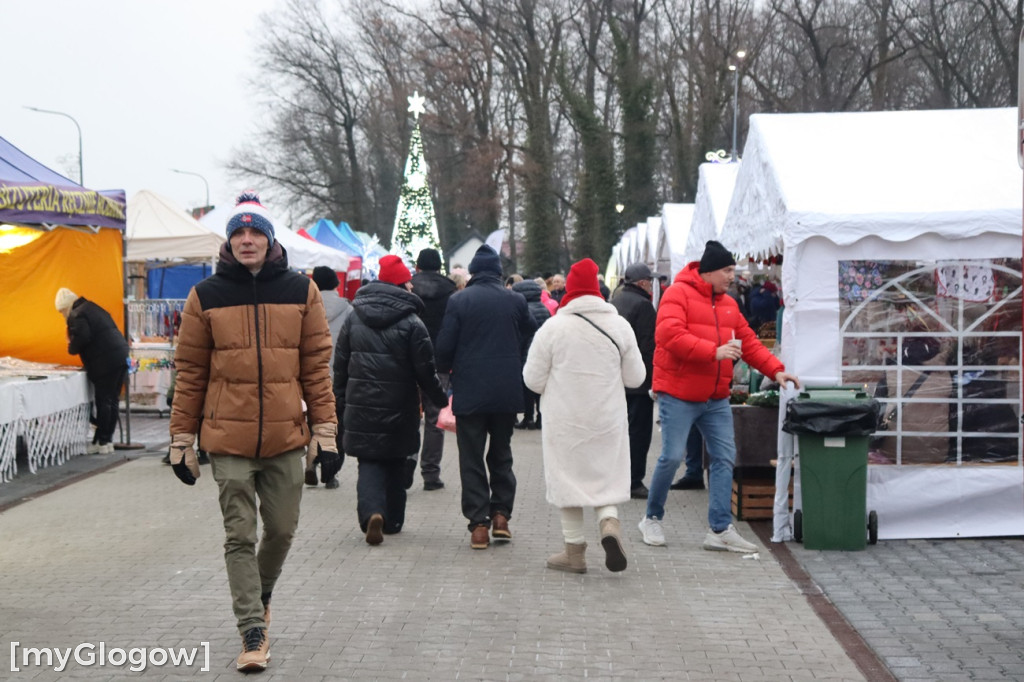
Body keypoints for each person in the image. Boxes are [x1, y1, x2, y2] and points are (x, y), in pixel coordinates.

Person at [168, 191, 340, 672]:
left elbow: (315, 369)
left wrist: (325, 431)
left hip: (287, 436)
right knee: (239, 535)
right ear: (229, 242)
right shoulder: (206, 296)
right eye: (238, 233)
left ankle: (260, 594)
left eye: (255, 232)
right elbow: (191, 372)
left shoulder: (300, 291)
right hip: (228, 439)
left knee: (282, 531)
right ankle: (251, 629)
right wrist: (182, 439)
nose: (247, 240)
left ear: (269, 239)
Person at [639, 240, 800, 552]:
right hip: (679, 393)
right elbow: (669, 335)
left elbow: (749, 342)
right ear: (709, 271)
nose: (732, 275)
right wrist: (712, 352)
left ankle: (719, 529)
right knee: (671, 457)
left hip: (715, 397)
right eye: (727, 270)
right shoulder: (677, 294)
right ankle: (652, 517)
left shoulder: (728, 303)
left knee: (725, 458)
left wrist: (775, 370)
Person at [524, 258, 645, 574]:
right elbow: (636, 378)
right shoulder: (619, 326)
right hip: (607, 418)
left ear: (569, 292)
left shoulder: (554, 327)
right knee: (605, 478)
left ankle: (574, 552)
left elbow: (532, 380)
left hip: (566, 422)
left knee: (568, 483)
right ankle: (609, 525)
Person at [335, 255, 448, 544]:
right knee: (397, 461)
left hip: (360, 404)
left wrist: (339, 400)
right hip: (400, 406)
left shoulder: (353, 316)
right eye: (408, 280)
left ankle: (372, 512)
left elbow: (341, 363)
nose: (412, 285)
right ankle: (394, 520)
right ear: (400, 284)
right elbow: (426, 370)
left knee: (369, 462)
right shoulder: (412, 323)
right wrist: (440, 399)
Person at [435, 244, 537, 549]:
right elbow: (531, 329)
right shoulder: (515, 300)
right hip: (506, 389)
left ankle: (479, 524)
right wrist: (513, 354)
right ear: (498, 272)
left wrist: (445, 374)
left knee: (471, 458)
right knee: (502, 453)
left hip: (470, 390)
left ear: (474, 272)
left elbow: (444, 348)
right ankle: (501, 516)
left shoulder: (459, 300)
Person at [55, 288, 129, 454]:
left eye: (61, 311)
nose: (62, 315)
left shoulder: (77, 315)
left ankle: (101, 443)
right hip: (121, 356)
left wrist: (71, 347)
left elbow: (82, 337)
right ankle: (107, 440)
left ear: (66, 307)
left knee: (104, 401)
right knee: (112, 400)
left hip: (105, 362)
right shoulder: (93, 308)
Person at [409, 248, 457, 491]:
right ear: (439, 266)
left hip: (408, 360)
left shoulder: (408, 288)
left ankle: (406, 464)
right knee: (434, 417)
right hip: (439, 362)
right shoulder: (451, 292)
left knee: (407, 415)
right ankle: (431, 473)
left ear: (417, 266)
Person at [610, 263, 657, 499]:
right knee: (638, 433)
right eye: (650, 280)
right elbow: (648, 347)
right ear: (642, 283)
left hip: (616, 378)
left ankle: (617, 478)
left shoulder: (616, 300)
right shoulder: (644, 305)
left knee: (620, 431)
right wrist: (652, 380)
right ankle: (634, 480)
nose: (652, 284)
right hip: (638, 381)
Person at [306, 266, 353, 489]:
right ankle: (330, 473)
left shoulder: (304, 307)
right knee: (337, 426)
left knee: (313, 422)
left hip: (311, 376)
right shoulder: (348, 310)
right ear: (336, 283)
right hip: (339, 377)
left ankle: (312, 461)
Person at [511, 277, 551, 429]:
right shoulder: (544, 308)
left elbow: (521, 335)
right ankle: (541, 418)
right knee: (540, 390)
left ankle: (528, 418)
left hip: (527, 353)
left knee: (527, 387)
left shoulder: (524, 311)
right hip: (542, 352)